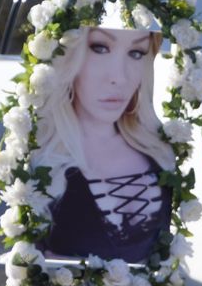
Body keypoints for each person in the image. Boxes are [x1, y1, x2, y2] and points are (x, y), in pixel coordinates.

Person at [34, 27, 174, 263]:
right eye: (100, 48)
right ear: (68, 55)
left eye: (136, 53)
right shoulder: (41, 156)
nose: (119, 77)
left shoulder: (161, 152)